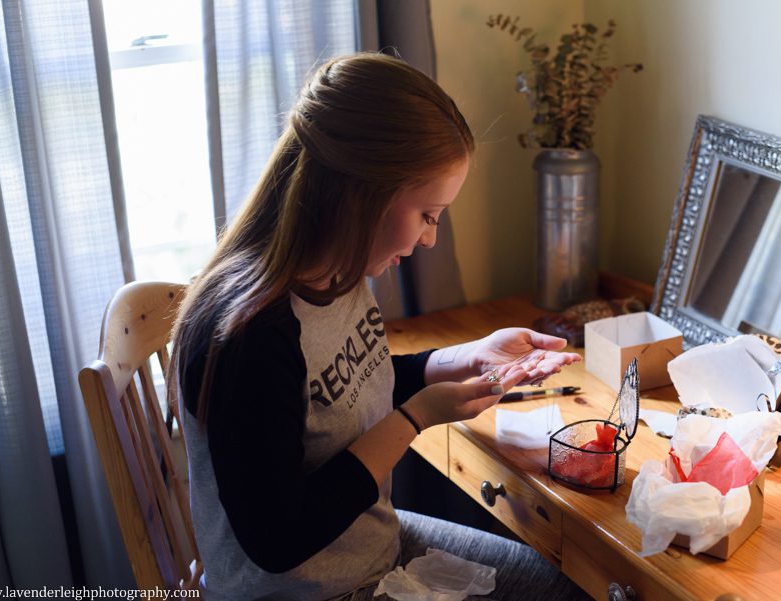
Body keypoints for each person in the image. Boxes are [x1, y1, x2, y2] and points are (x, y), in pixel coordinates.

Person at [170, 52, 588, 601]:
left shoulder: (338, 270)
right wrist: (416, 419)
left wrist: (466, 357)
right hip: (309, 590)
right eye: (428, 215)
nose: (431, 239)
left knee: (564, 587)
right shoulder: (251, 337)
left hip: (368, 547)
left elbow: (341, 389)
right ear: (360, 195)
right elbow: (278, 541)